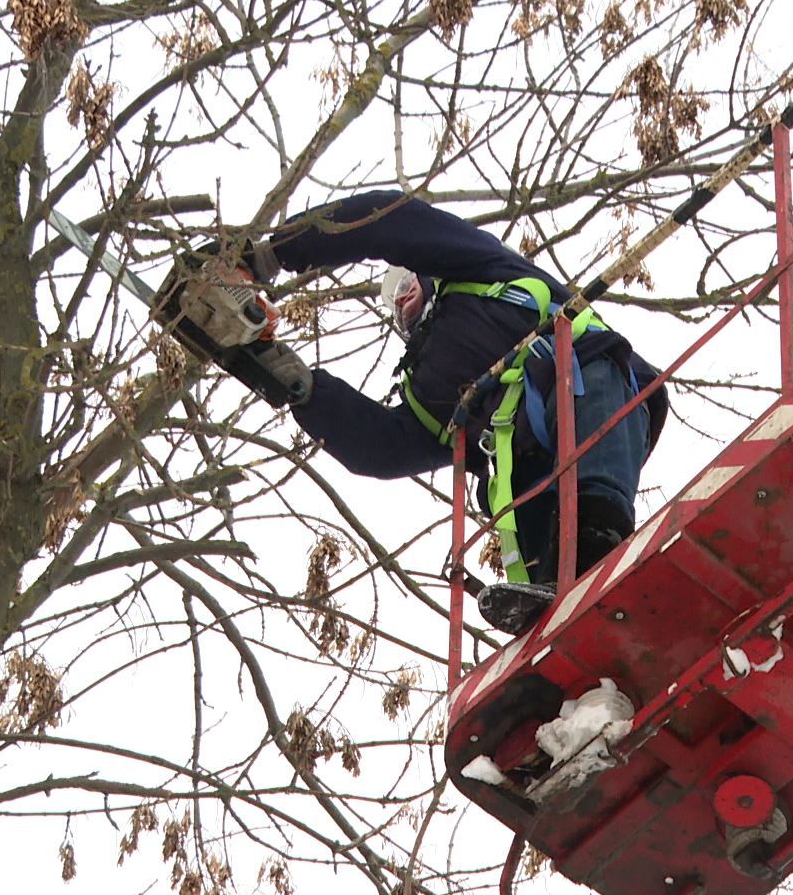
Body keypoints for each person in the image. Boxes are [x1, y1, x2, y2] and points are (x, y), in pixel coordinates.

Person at [195, 189, 668, 633]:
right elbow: (377, 449)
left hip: (595, 389)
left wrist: (274, 253)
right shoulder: (426, 396)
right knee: (509, 484)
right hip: (530, 461)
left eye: (404, 285)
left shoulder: (479, 272)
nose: (400, 299)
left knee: (593, 380)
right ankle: (551, 587)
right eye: (392, 303)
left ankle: (598, 539)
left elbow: (390, 219)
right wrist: (289, 380)